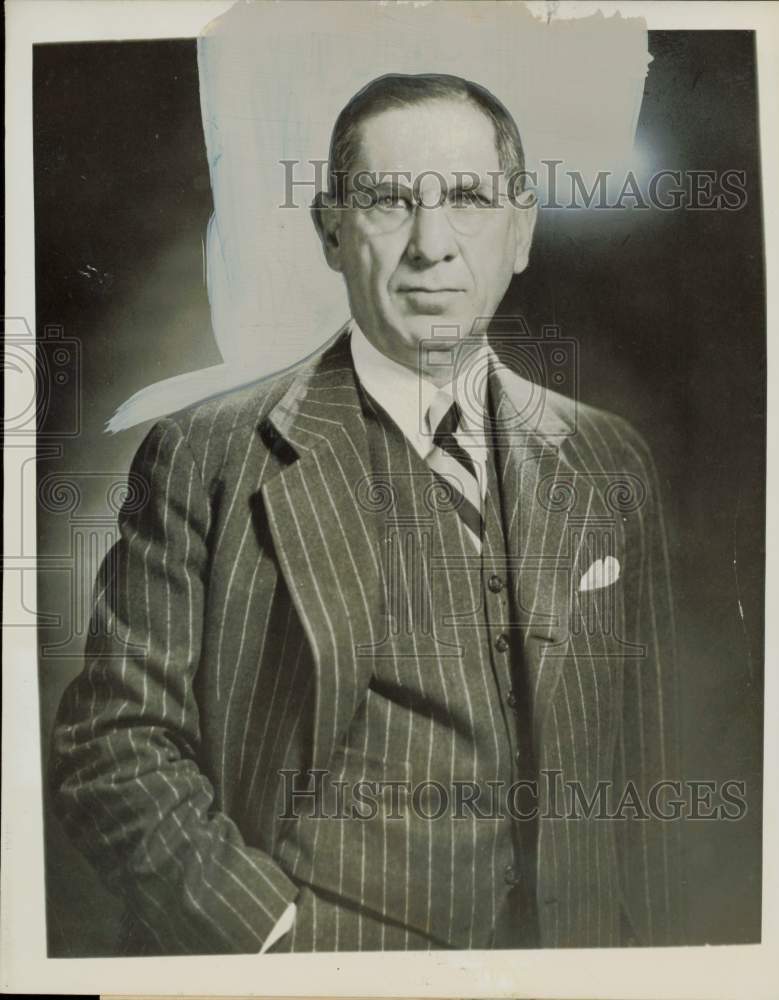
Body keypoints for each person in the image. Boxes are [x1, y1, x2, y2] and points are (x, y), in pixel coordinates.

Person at [49, 73, 683, 954]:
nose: (433, 245)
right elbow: (110, 748)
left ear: (523, 228)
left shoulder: (609, 459)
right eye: (388, 202)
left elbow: (643, 772)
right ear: (331, 233)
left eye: (467, 198)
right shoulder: (205, 457)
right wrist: (272, 941)